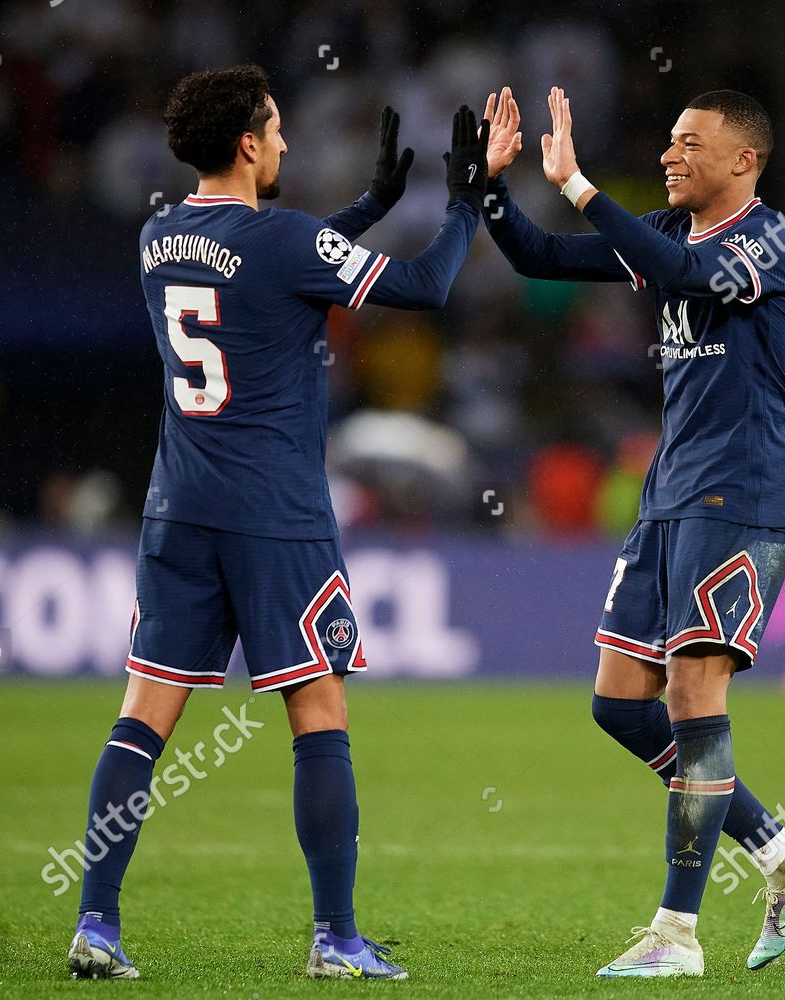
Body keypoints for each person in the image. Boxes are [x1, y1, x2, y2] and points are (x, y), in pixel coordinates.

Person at [64, 64, 488, 981]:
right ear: (250, 143)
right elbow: (423, 288)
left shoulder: (156, 236)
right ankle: (336, 939)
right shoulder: (285, 239)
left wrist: (368, 206)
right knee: (318, 714)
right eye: (279, 128)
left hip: (178, 509)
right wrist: (467, 206)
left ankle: (95, 924)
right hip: (276, 517)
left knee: (142, 718)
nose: (290, 143)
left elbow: (265, 269)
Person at [477, 85, 785, 977]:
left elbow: (683, 278)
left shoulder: (768, 241)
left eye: (690, 143)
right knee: (617, 703)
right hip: (670, 495)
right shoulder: (671, 234)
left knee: (692, 703)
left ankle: (676, 935)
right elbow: (540, 258)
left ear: (743, 160)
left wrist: (578, 184)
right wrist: (488, 188)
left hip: (743, 495)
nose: (672, 155)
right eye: (670, 139)